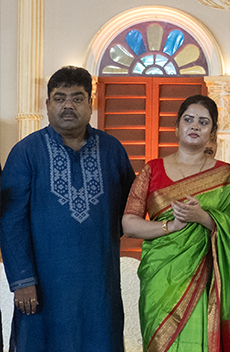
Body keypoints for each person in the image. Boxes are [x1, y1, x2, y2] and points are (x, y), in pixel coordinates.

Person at [0, 66, 135, 351]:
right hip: (41, 289)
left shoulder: (112, 150)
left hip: (98, 284)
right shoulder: (26, 153)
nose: (68, 106)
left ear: (90, 103)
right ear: (47, 104)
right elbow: (11, 221)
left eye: (77, 98)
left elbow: (128, 210)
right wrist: (22, 280)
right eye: (59, 98)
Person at [121, 95, 230, 350]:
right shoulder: (152, 170)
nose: (195, 126)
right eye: (188, 120)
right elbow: (129, 224)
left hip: (205, 278)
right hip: (160, 277)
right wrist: (171, 226)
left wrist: (204, 217)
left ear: (212, 132)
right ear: (176, 126)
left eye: (203, 122)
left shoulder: (225, 176)